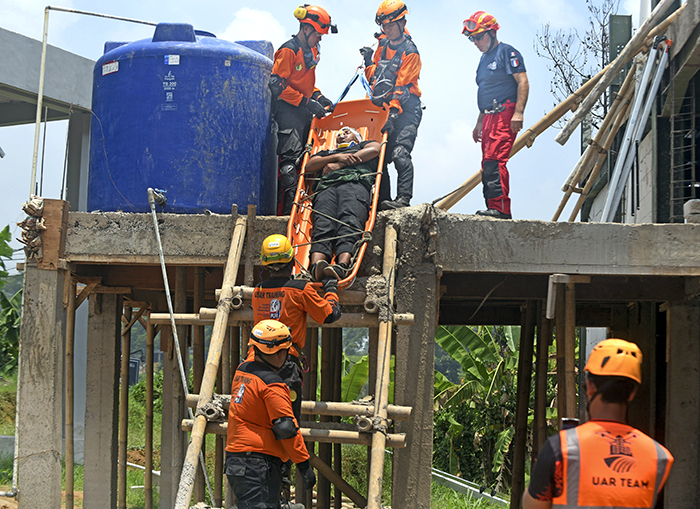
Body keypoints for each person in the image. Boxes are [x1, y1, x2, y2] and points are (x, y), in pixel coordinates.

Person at [523, 338, 674, 509]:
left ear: (590, 387)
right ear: (632, 393)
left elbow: (532, 506)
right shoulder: (660, 456)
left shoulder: (561, 448)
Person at [226, 319, 316, 509]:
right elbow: (286, 428)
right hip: (257, 466)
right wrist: (304, 465)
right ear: (282, 352)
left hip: (236, 460)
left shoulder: (242, 372)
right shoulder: (272, 384)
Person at [252, 234, 341, 421]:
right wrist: (331, 291)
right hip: (283, 363)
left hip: (254, 361)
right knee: (286, 422)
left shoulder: (258, 291)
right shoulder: (301, 289)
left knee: (262, 419)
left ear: (265, 265)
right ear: (292, 261)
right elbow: (329, 315)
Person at [269, 5, 338, 215]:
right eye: (318, 34)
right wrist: (307, 103)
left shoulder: (311, 51)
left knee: (308, 159)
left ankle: (309, 206)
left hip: (303, 110)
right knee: (290, 162)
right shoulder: (289, 50)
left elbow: (304, 85)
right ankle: (288, 212)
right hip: (288, 110)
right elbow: (277, 86)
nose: (320, 39)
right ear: (306, 29)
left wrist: (318, 97)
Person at [464, 11, 529, 220]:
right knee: (487, 163)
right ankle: (492, 206)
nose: (475, 42)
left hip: (505, 112)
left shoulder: (507, 52)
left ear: (491, 33)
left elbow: (523, 82)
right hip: (489, 114)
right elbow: (485, 92)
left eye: (479, 37)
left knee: (495, 160)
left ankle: (501, 208)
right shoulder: (483, 60)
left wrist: (519, 112)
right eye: (472, 38)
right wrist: (478, 123)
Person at [361, 0, 422, 211]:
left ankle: (403, 199)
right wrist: (369, 62)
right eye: (384, 25)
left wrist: (394, 116)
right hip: (387, 109)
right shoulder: (383, 46)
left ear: (402, 22)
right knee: (379, 156)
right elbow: (375, 81)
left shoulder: (410, 52)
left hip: (406, 110)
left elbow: (402, 87)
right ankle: (382, 201)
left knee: (399, 154)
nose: (387, 29)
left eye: (390, 24)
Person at [306, 126, 381, 281]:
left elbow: (375, 149)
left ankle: (342, 265)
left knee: (350, 221)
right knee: (323, 224)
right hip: (326, 188)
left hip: (354, 184)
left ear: (357, 138)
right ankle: (316, 267)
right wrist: (337, 158)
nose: (341, 135)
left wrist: (342, 164)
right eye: (339, 133)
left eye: (347, 132)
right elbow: (309, 166)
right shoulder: (328, 154)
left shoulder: (363, 146)